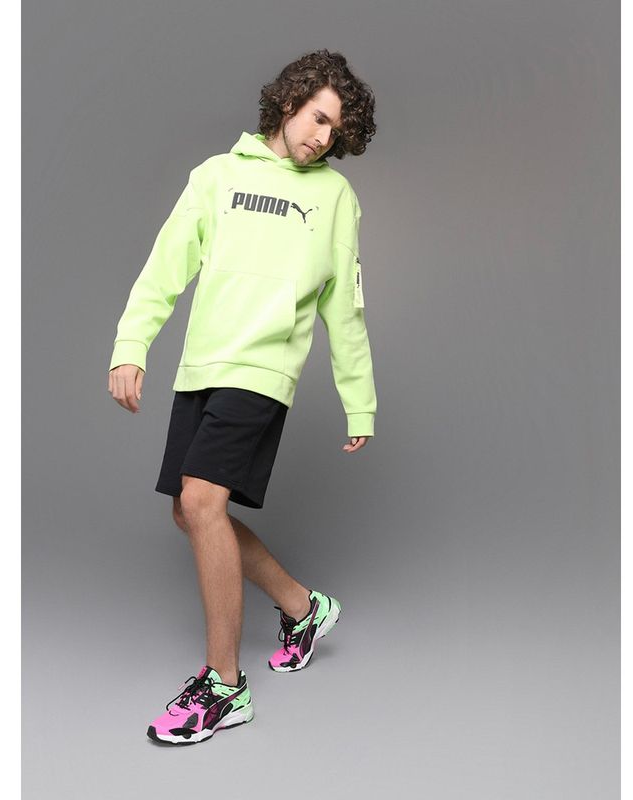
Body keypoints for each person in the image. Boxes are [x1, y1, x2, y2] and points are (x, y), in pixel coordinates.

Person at [107, 49, 377, 746]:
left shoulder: (335, 198)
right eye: (318, 117)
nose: (323, 137)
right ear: (289, 102)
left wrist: (360, 401)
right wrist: (132, 344)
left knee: (203, 502)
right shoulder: (217, 176)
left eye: (336, 129)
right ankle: (303, 608)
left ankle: (224, 686)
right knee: (189, 512)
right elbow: (165, 267)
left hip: (263, 370)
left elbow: (343, 309)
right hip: (202, 368)